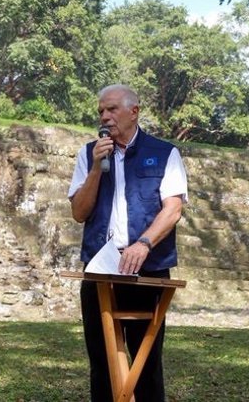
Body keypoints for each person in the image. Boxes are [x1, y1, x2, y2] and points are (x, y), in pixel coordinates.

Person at [68, 84, 188, 401]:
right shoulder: (87, 154)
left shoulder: (165, 154)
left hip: (147, 271)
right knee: (102, 364)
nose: (105, 117)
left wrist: (144, 243)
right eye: (100, 111)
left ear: (133, 111)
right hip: (99, 271)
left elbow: (173, 209)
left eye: (112, 110)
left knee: (146, 365)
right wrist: (96, 166)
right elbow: (79, 212)